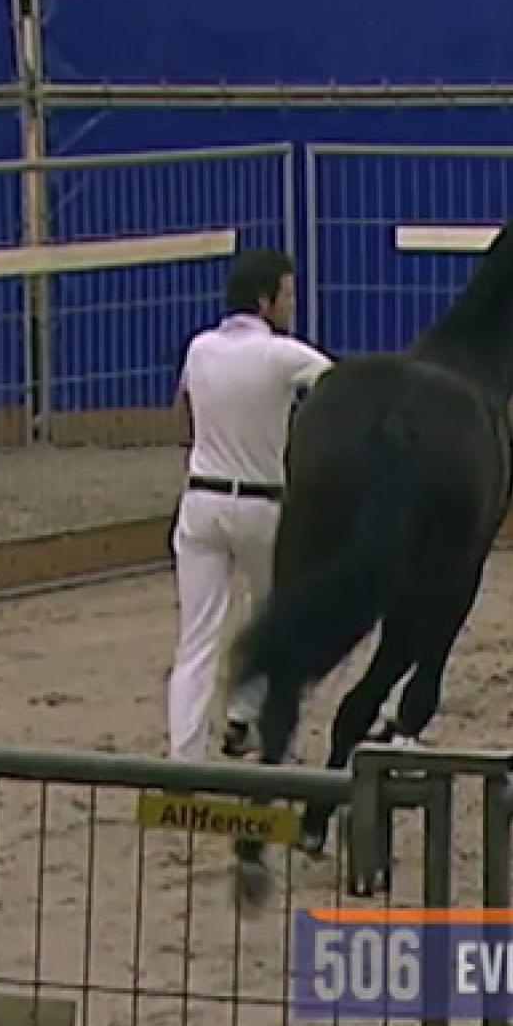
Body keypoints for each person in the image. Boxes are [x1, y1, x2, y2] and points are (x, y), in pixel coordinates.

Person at [163, 248, 332, 763]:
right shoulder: (283, 355)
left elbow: (183, 412)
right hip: (262, 505)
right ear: (264, 300)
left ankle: (185, 758)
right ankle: (254, 722)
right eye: (287, 296)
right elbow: (338, 385)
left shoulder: (199, 348)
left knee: (196, 640)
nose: (292, 306)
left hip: (201, 498)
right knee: (276, 619)